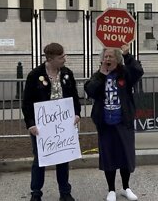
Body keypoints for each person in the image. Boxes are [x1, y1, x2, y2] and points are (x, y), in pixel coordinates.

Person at [22, 42, 81, 201]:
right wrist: (31, 123)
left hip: (63, 124)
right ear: (50, 58)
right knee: (40, 159)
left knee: (63, 158)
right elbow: (27, 102)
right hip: (42, 126)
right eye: (61, 57)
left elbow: (74, 97)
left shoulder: (67, 73)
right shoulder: (35, 75)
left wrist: (77, 114)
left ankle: (65, 192)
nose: (64, 59)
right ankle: (36, 192)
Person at [84, 44, 144, 201]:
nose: (108, 59)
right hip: (105, 123)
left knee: (125, 155)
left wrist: (127, 55)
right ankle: (111, 189)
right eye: (105, 57)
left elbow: (138, 71)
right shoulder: (98, 75)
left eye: (111, 56)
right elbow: (90, 90)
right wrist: (102, 75)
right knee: (108, 156)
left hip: (123, 122)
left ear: (117, 59)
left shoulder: (124, 73)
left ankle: (126, 187)